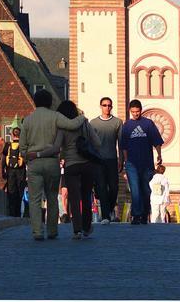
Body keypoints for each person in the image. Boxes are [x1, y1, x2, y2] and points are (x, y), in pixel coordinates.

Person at [19, 89, 87, 241]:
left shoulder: (28, 120)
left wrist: (27, 156)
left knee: (35, 199)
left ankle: (37, 231)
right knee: (51, 197)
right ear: (50, 102)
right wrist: (82, 117)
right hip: (52, 162)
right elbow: (71, 125)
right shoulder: (55, 116)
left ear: (35, 102)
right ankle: (52, 230)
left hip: (34, 163)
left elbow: (22, 146)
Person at [56, 100, 102, 239]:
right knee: (86, 197)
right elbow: (98, 143)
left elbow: (57, 146)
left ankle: (76, 230)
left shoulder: (62, 127)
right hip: (87, 164)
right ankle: (87, 227)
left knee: (74, 199)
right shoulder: (84, 124)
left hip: (71, 166)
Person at [119, 99, 164, 224]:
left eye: (137, 111)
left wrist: (159, 155)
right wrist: (125, 161)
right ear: (130, 111)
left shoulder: (148, 124)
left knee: (145, 189)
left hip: (146, 163)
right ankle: (136, 215)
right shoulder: (127, 125)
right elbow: (123, 146)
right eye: (133, 112)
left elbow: (157, 141)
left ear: (141, 110)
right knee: (135, 189)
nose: (135, 114)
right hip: (132, 164)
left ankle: (144, 213)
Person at [90, 96, 123, 224]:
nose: (107, 107)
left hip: (112, 159)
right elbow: (90, 143)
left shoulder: (118, 122)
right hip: (98, 160)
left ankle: (108, 209)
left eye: (109, 105)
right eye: (104, 105)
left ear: (112, 107)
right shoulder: (93, 123)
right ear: (100, 106)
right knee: (102, 187)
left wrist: (121, 159)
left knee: (114, 187)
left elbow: (121, 142)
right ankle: (105, 216)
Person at [1, 126, 27, 217]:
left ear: (12, 135)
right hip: (21, 172)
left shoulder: (8, 145)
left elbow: (3, 159)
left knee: (11, 192)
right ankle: (18, 213)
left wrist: (3, 171)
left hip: (10, 171)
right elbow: (26, 159)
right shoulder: (23, 146)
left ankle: (11, 213)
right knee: (20, 192)